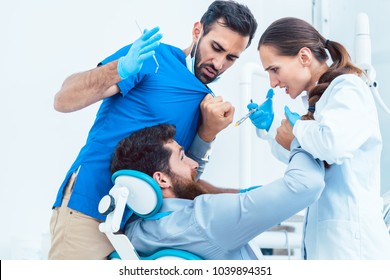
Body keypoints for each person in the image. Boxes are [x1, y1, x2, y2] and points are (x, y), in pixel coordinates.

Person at [48, 0, 258, 260]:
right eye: (216, 48)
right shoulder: (153, 58)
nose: (218, 63)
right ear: (197, 31)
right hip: (91, 210)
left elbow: (182, 179)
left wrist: (208, 133)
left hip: (141, 230)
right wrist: (120, 68)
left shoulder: (207, 102)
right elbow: (63, 99)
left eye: (231, 58)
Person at [247, 17, 390, 259]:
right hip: (329, 244)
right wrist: (272, 131)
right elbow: (309, 160)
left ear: (304, 57)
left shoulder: (348, 88)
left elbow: (333, 145)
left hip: (353, 247)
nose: (272, 82)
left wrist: (298, 131)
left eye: (274, 69)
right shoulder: (317, 101)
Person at [110, 123, 325, 260]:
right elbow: (307, 184)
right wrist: (298, 140)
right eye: (182, 157)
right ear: (162, 179)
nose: (194, 164)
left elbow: (187, 183)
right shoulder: (207, 217)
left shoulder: (134, 233)